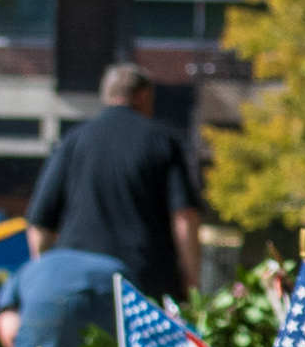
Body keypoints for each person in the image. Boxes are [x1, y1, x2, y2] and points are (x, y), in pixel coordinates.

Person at [28, 63, 205, 299]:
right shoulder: (162, 141)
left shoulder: (73, 141)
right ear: (142, 95)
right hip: (143, 284)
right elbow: (184, 217)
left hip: (80, 286)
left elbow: (39, 225)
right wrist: (192, 281)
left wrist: (48, 278)